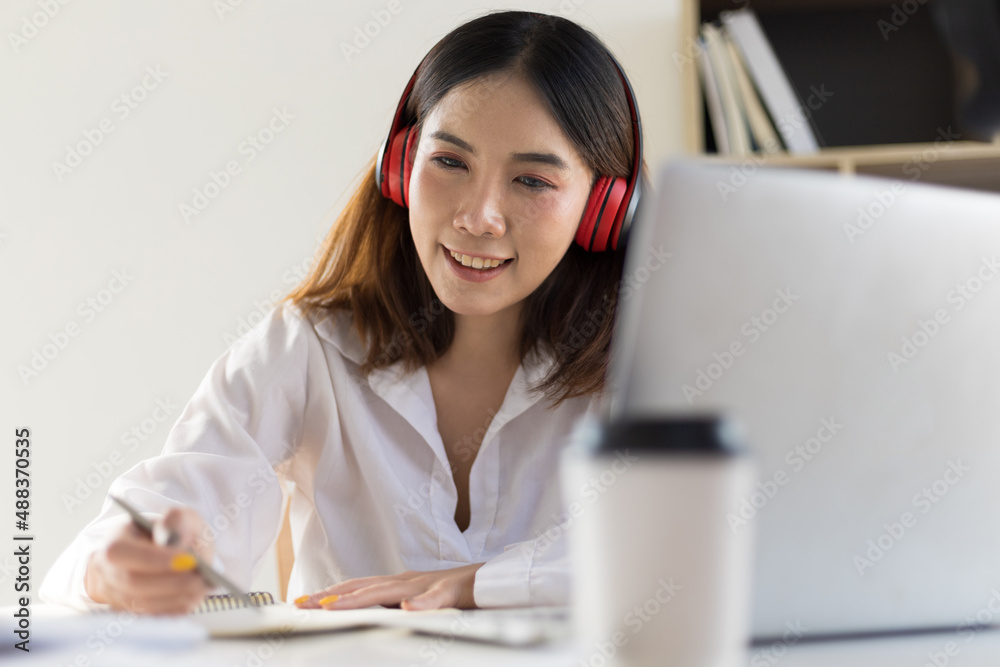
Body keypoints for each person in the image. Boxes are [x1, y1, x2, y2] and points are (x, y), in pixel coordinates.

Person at [40, 9, 648, 615]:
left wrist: (476, 583)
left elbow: (696, 555)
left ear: (604, 208)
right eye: (451, 162)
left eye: (533, 181)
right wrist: (117, 568)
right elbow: (148, 520)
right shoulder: (307, 347)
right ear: (401, 166)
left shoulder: (648, 366)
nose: (476, 217)